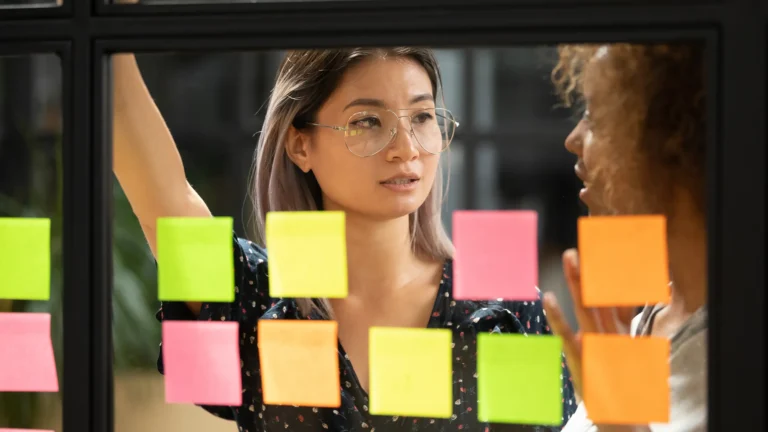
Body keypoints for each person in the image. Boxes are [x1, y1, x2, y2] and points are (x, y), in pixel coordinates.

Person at [113, 48, 576, 431]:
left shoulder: (500, 311)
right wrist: (105, 26)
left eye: (421, 117)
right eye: (367, 121)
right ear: (300, 145)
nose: (405, 148)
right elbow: (160, 198)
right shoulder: (261, 298)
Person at [543, 43, 708, 432]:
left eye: (596, 119)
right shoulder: (650, 316)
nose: (573, 138)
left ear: (670, 145)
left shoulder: (737, 345)